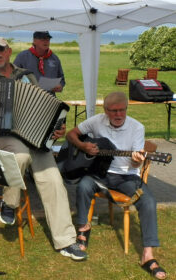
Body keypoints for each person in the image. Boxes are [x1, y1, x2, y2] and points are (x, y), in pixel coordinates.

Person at [0, 37, 87, 261]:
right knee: (19, 155)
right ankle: (9, 204)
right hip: (1, 137)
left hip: (34, 140)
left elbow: (44, 108)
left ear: (8, 51)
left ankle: (66, 241)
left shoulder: (27, 75)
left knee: (54, 182)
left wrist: (56, 129)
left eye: (0, 49)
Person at [66, 92, 166, 279]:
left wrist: (137, 161)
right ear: (105, 111)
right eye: (113, 111)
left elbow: (136, 163)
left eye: (122, 110)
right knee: (83, 186)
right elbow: (71, 134)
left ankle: (148, 255)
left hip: (126, 177)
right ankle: (83, 230)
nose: (118, 114)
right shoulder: (96, 121)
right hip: (99, 173)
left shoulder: (137, 127)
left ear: (126, 109)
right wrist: (83, 146)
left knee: (148, 201)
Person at [14, 31, 65, 95]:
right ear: (34, 41)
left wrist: (60, 86)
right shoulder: (22, 57)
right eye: (42, 39)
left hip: (49, 99)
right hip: (28, 98)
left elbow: (61, 79)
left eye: (48, 39)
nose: (46, 41)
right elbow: (13, 76)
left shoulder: (54, 58)